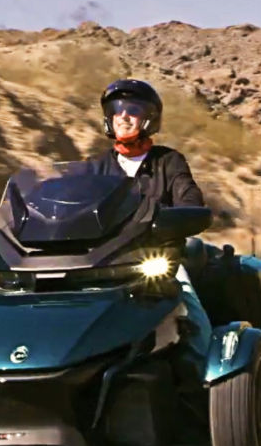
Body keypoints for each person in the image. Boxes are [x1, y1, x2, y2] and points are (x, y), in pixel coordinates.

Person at [86, 79, 213, 371]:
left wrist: (180, 216)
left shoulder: (169, 161)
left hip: (157, 257)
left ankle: (209, 378)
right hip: (104, 260)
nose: (124, 116)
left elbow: (189, 199)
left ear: (149, 119)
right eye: (117, 110)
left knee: (187, 299)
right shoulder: (96, 166)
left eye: (132, 109)